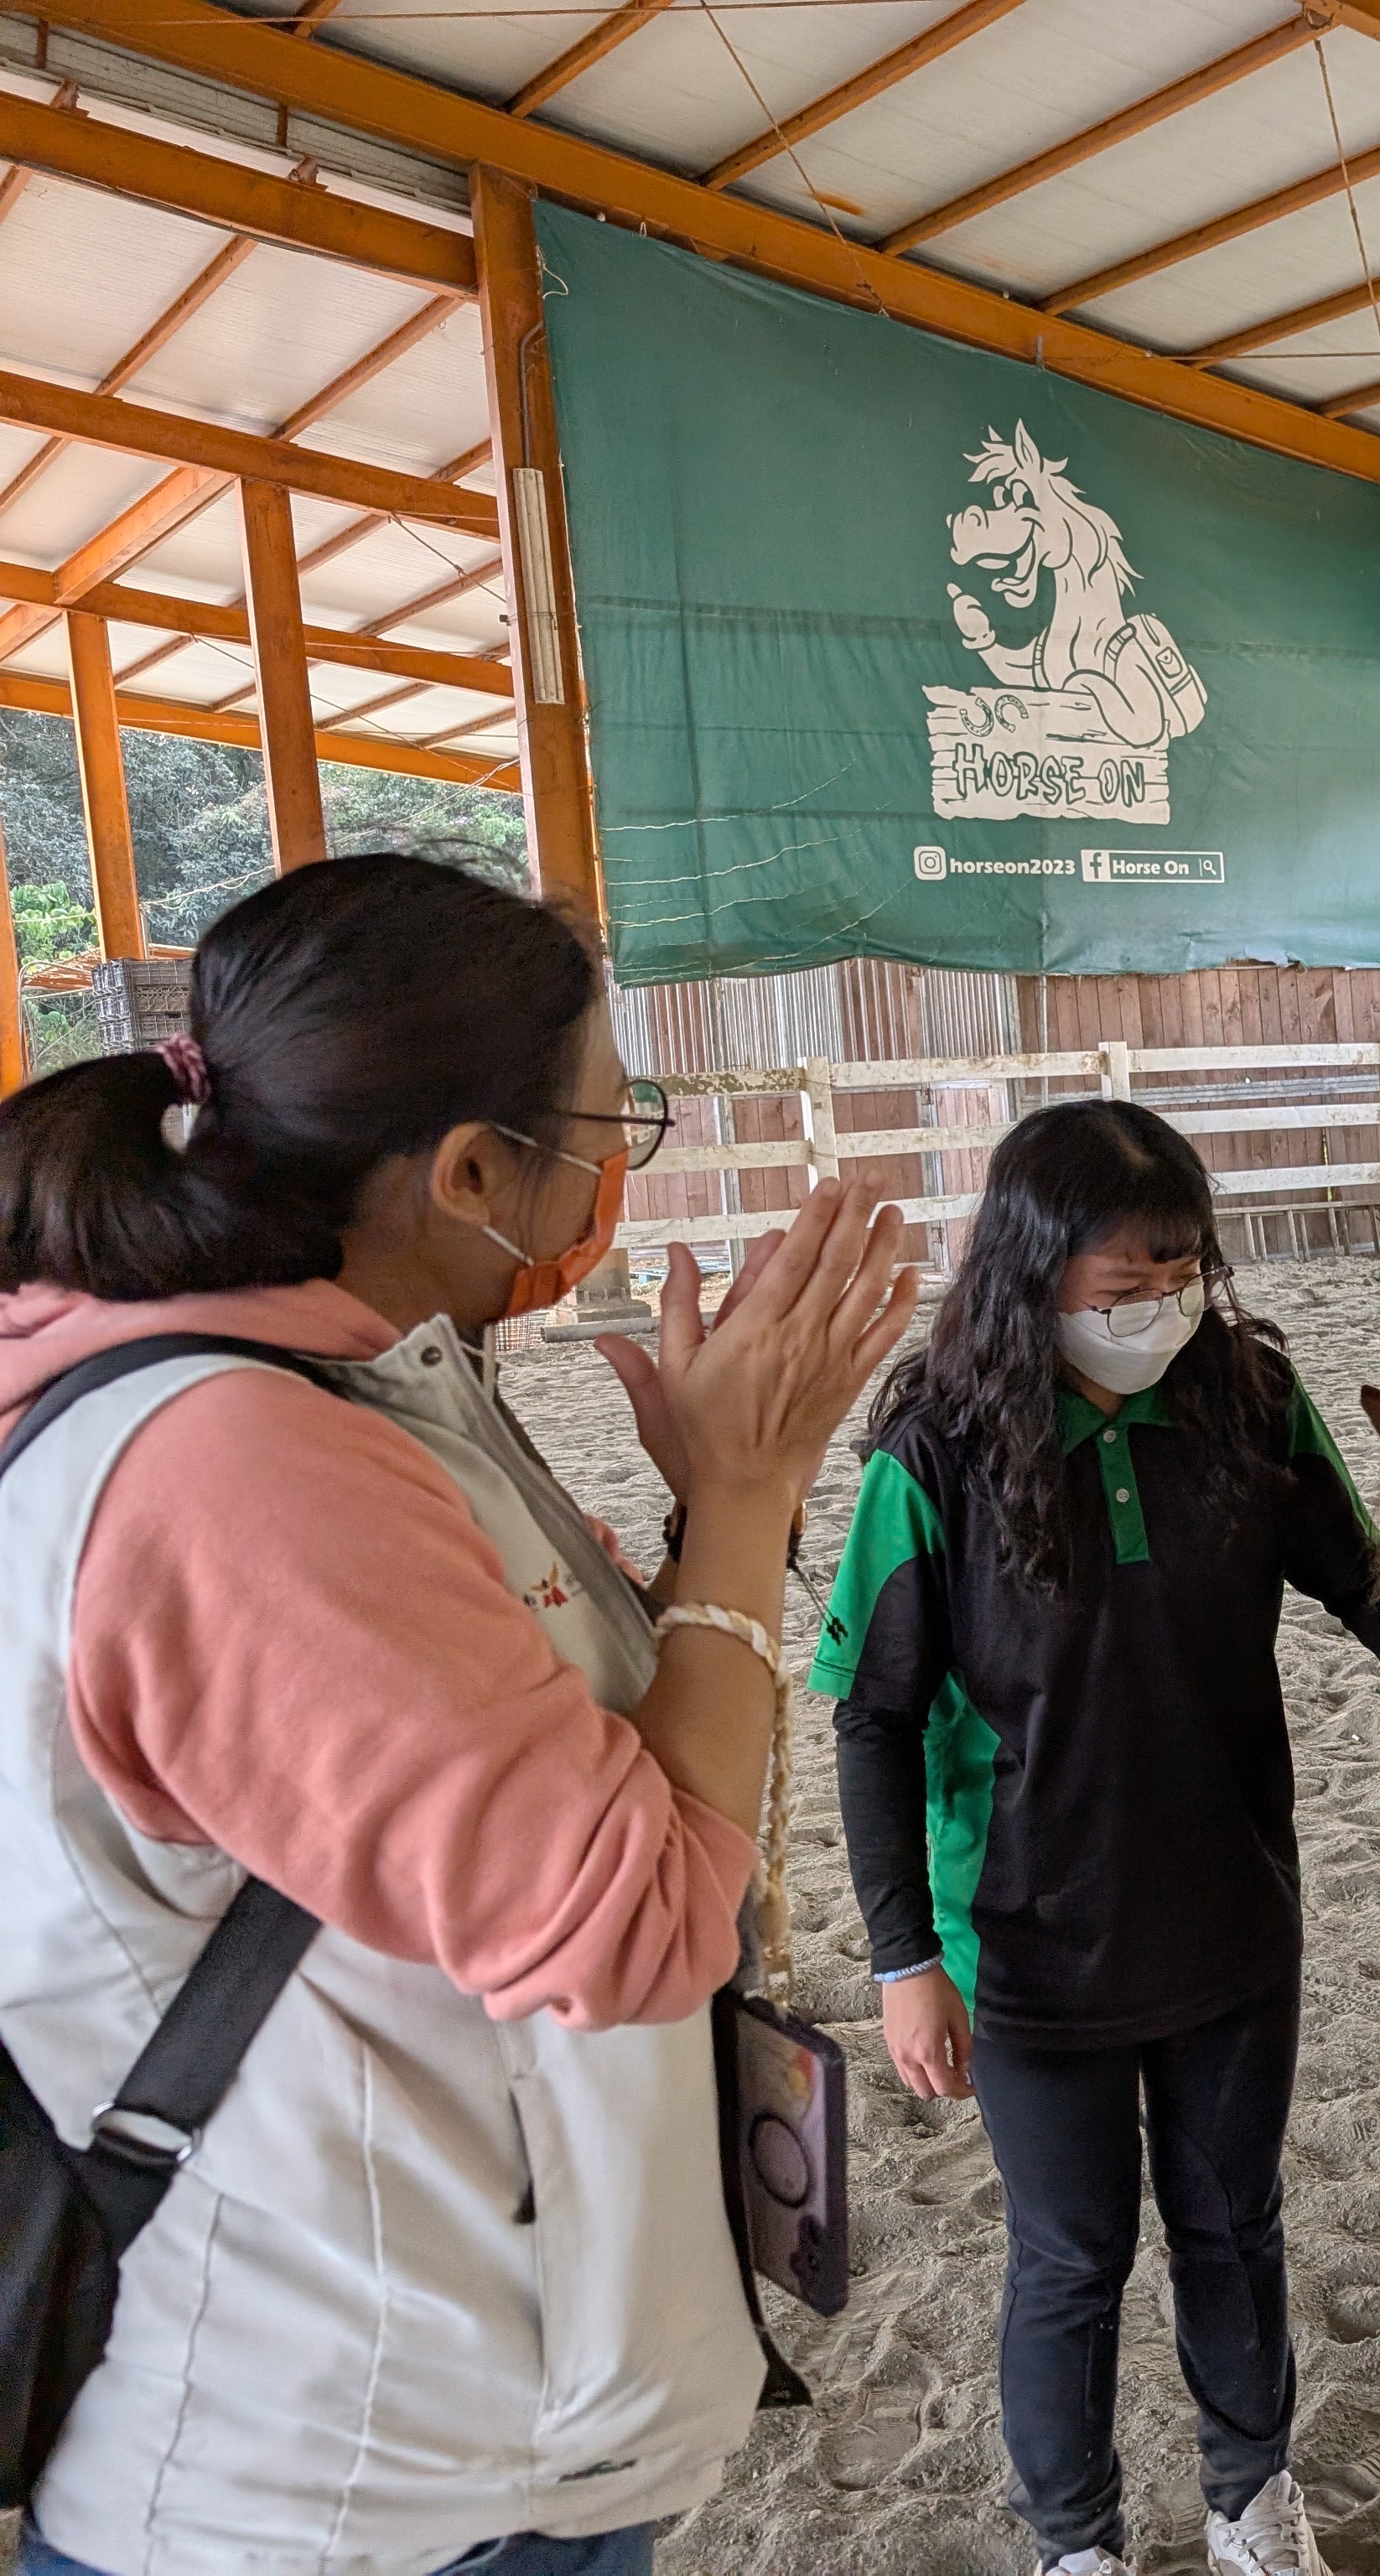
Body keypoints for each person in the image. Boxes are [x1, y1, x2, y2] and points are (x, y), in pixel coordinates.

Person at [0, 852, 915, 2576]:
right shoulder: (240, 1472)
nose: (619, 1166)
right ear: (474, 1169)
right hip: (363, 2479)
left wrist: (719, 1519)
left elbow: (532, 1772)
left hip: (478, 2415)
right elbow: (642, 1912)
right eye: (604, 1118)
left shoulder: (361, 1386)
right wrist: (739, 1499)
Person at [815, 1101, 1380, 2576]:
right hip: (1025, 1936)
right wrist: (903, 1959)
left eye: (1181, 1271)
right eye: (1122, 1279)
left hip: (1227, 1908)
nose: (1159, 1305)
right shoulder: (933, 1450)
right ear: (1031, 1268)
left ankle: (1252, 2504)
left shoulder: (1251, 1397)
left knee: (1233, 2223)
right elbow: (871, 1716)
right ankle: (1077, 2545)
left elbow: (1374, 1587)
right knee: (1072, 2257)